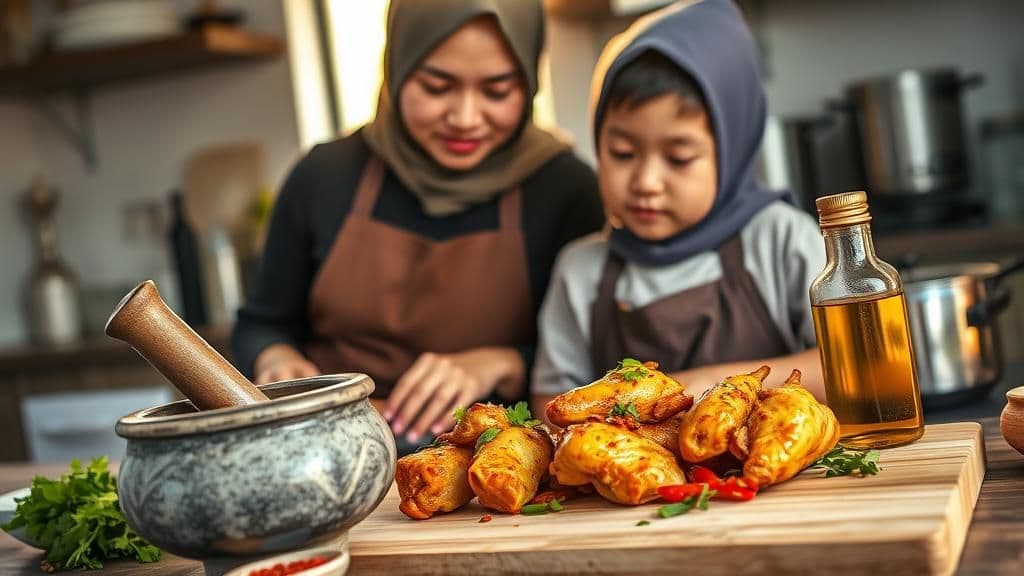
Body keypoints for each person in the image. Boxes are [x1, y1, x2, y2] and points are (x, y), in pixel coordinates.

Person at [233, 0, 604, 451]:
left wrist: (502, 363)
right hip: (328, 451)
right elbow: (261, 324)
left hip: (494, 468)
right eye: (436, 87)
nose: (465, 117)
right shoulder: (324, 176)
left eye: (497, 91)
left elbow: (591, 364)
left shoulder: (565, 188)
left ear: (528, 85)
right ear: (397, 67)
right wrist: (277, 357)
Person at [531, 0, 827, 418]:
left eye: (679, 158)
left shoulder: (782, 240)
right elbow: (549, 405)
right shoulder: (581, 272)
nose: (647, 182)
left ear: (732, 149)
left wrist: (709, 386)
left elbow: (843, 369)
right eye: (622, 153)